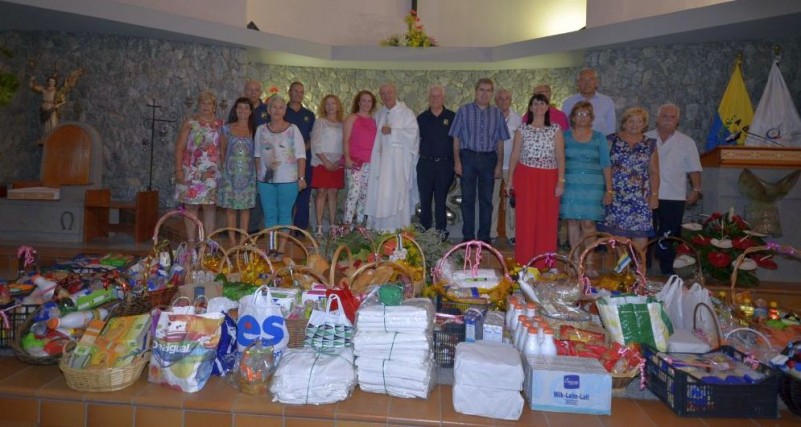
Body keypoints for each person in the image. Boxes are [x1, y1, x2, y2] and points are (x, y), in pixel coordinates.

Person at [507, 93, 565, 265]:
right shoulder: (522, 129)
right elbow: (515, 156)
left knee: (547, 219)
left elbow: (560, 156)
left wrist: (561, 181)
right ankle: (524, 261)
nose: (539, 107)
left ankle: (546, 262)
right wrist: (509, 180)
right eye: (535, 104)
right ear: (531, 107)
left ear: (547, 107)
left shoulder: (555, 129)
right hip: (526, 176)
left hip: (549, 177)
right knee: (526, 218)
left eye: (542, 103)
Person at [450, 78, 510, 243]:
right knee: (467, 199)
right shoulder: (463, 111)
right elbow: (456, 138)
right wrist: (457, 161)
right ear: (475, 91)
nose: (484, 93)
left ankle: (484, 238)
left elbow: (500, 141)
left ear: (492, 93)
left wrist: (499, 164)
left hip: (489, 159)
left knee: (487, 201)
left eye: (488, 90)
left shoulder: (497, 113)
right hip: (467, 157)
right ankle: (468, 237)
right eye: (481, 90)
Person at [646, 103, 702, 274]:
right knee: (646, 233)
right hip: (647, 195)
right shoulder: (645, 138)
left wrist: (696, 189)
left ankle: (666, 270)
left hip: (674, 196)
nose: (668, 120)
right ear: (657, 118)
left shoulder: (687, 142)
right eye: (664, 116)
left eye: (672, 117)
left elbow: (694, 168)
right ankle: (642, 267)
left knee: (668, 235)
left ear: (677, 120)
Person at [600, 107, 660, 253]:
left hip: (641, 197)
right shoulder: (610, 140)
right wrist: (607, 191)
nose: (635, 124)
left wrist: (654, 195)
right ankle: (624, 270)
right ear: (624, 123)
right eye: (631, 121)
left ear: (644, 124)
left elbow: (654, 171)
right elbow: (604, 166)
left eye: (639, 121)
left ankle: (640, 270)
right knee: (617, 236)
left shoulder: (650, 143)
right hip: (616, 195)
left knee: (641, 234)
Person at [254, 95, 307, 258]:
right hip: (266, 181)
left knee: (285, 214)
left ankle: (282, 249)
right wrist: (259, 177)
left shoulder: (293, 129)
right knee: (270, 215)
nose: (277, 110)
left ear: (285, 110)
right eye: (274, 107)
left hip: (289, 180)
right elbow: (257, 155)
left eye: (280, 107)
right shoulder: (261, 130)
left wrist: (301, 178)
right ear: (268, 110)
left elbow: (301, 156)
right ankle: (271, 248)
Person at [560, 101, 612, 265]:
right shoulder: (564, 136)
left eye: (586, 114)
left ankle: (589, 262)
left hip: (593, 187)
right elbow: (558, 160)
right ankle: (575, 262)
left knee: (588, 223)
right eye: (579, 114)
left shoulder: (599, 137)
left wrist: (609, 190)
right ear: (573, 117)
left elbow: (606, 164)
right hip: (570, 184)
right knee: (572, 222)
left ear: (592, 118)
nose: (582, 118)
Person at [366, 83, 420, 231]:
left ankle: (399, 230)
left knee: (396, 194)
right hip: (380, 164)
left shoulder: (406, 113)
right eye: (383, 94)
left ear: (395, 93)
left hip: (398, 164)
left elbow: (413, 135)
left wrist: (393, 131)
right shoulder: (378, 114)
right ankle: (379, 230)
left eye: (389, 93)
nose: (386, 96)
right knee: (380, 192)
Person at [174, 91, 223, 241]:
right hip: (191, 171)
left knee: (209, 207)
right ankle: (190, 243)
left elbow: (224, 148)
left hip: (212, 173)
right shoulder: (190, 123)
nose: (205, 106)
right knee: (191, 206)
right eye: (203, 103)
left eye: (209, 103)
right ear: (198, 105)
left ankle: (208, 244)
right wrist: (178, 170)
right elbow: (179, 147)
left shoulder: (221, 125)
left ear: (214, 107)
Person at [416, 85, 456, 239]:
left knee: (440, 200)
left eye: (438, 96)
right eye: (432, 96)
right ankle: (425, 232)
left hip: (445, 165)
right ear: (429, 98)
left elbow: (457, 142)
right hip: (425, 164)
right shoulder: (421, 118)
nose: (435, 99)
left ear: (443, 98)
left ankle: (441, 232)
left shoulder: (452, 117)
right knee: (425, 199)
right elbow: (415, 141)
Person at [217, 97, 257, 246]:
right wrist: (224, 171)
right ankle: (233, 241)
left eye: (246, 108)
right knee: (231, 209)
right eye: (240, 108)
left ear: (251, 111)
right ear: (235, 110)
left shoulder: (255, 130)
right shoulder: (226, 129)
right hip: (230, 175)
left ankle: (243, 240)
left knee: (245, 209)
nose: (243, 111)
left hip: (248, 176)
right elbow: (222, 151)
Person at [310, 94, 345, 236]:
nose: (330, 106)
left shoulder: (343, 124)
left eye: (333, 103)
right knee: (321, 192)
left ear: (338, 106)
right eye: (327, 104)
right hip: (322, 162)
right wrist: (326, 162)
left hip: (337, 164)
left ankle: (332, 225)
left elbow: (345, 144)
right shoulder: (320, 122)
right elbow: (316, 142)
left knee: (333, 193)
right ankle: (319, 226)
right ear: (324, 106)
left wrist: (338, 162)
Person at [491, 88, 522, 243]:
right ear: (496, 101)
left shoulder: (519, 119)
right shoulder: (490, 117)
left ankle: (513, 234)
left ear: (511, 101)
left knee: (512, 202)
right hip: (493, 166)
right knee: (493, 200)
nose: (504, 101)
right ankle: (492, 233)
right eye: (501, 99)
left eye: (507, 98)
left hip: (513, 167)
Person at [342, 90, 378, 226]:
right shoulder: (352, 118)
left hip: (370, 162)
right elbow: (345, 140)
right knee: (353, 193)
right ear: (358, 102)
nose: (366, 103)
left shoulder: (374, 120)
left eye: (369, 101)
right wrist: (347, 158)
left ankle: (359, 226)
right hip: (355, 161)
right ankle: (346, 224)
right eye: (363, 100)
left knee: (365, 195)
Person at [284, 82, 315, 233]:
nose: (298, 94)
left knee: (303, 195)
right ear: (289, 92)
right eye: (295, 91)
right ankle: (285, 228)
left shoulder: (309, 115)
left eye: (301, 92)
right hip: (285, 161)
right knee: (286, 195)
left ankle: (301, 229)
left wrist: (301, 151)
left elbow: (312, 137)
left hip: (305, 160)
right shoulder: (282, 111)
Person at [244, 79, 269, 233]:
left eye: (256, 90)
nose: (252, 93)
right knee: (242, 191)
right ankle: (239, 227)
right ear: (245, 91)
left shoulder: (267, 110)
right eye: (249, 89)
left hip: (263, 158)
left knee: (259, 193)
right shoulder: (239, 108)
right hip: (242, 158)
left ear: (260, 92)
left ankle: (253, 227)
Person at [29, 68, 84, 136]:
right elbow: (33, 87)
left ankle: (53, 137)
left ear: (55, 83)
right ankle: (45, 137)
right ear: (48, 81)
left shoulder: (57, 91)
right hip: (44, 109)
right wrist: (32, 80)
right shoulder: (44, 89)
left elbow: (63, 101)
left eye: (53, 81)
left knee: (53, 122)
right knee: (44, 124)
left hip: (52, 108)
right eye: (50, 81)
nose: (51, 82)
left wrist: (57, 105)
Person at [562, 68, 616, 136]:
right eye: (583, 80)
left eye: (590, 79)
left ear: (596, 82)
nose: (587, 83)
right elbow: (564, 128)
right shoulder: (568, 103)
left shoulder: (607, 102)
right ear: (578, 83)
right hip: (574, 144)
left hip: (599, 144)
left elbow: (611, 129)